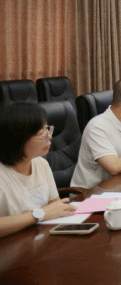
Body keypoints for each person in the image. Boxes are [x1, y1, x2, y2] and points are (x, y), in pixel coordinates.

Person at [0, 102, 77, 238]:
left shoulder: (41, 164)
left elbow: (55, 206)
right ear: (18, 139)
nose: (49, 137)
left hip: (41, 237)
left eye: (48, 130)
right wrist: (40, 214)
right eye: (42, 134)